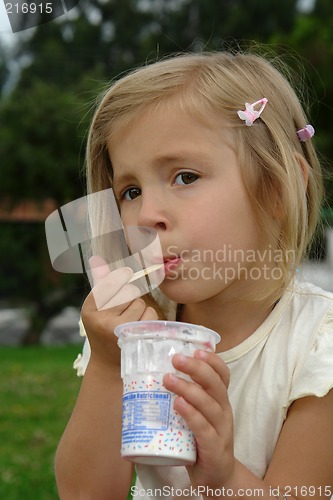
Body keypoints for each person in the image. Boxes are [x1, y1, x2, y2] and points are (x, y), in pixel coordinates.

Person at [55, 50, 333, 500]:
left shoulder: (317, 351)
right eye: (130, 191)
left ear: (278, 188)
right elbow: (83, 493)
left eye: (184, 177)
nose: (147, 214)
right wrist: (109, 366)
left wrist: (222, 478)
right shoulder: (131, 334)